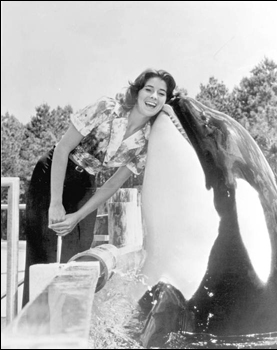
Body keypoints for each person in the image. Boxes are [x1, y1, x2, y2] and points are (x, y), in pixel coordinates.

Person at [22, 68, 177, 307]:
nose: (154, 96)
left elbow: (113, 183)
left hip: (86, 183)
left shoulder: (147, 141)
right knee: (43, 254)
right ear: (137, 91)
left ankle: (66, 327)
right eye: (149, 89)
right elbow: (63, 149)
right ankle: (30, 329)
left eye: (161, 93)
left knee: (77, 257)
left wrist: (77, 216)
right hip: (53, 172)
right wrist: (55, 202)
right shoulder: (107, 108)